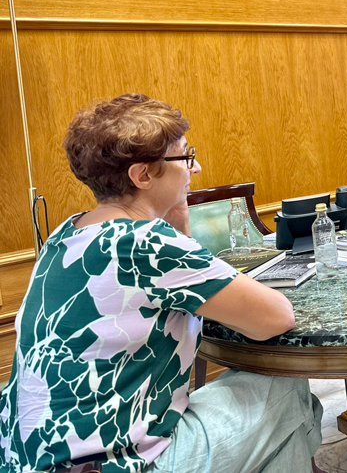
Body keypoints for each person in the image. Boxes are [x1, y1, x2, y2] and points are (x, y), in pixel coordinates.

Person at [0, 94, 322, 473]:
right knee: (286, 387)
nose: (196, 167)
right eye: (185, 156)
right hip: (112, 465)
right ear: (143, 176)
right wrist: (178, 231)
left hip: (27, 458)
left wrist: (178, 222)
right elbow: (276, 318)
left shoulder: (67, 233)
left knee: (279, 425)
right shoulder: (145, 242)